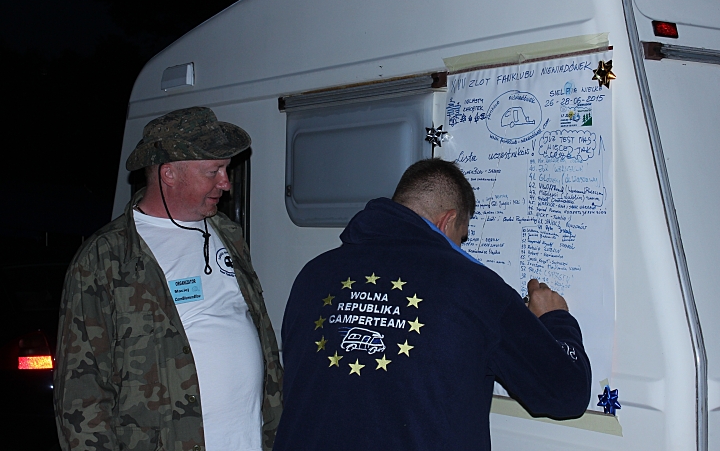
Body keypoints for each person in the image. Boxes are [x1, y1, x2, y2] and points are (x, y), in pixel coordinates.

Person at [274, 158, 591, 451]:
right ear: (447, 221)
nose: (461, 248)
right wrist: (555, 319)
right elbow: (566, 394)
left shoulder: (313, 276)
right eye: (461, 237)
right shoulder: (476, 287)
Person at [54, 107, 282, 451]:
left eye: (226, 169)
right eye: (214, 171)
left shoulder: (228, 234)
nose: (225, 182)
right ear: (169, 174)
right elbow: (81, 390)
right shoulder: (107, 257)